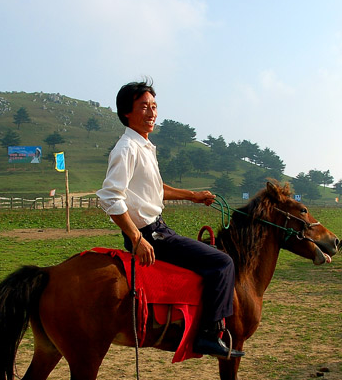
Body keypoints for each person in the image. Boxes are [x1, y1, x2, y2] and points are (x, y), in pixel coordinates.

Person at [96, 79, 244, 359]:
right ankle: (209, 335)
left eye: (154, 106)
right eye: (144, 107)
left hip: (158, 229)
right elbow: (110, 196)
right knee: (223, 262)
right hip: (151, 234)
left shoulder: (144, 147)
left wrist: (192, 196)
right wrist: (136, 238)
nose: (151, 113)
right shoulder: (126, 148)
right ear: (127, 112)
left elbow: (156, 189)